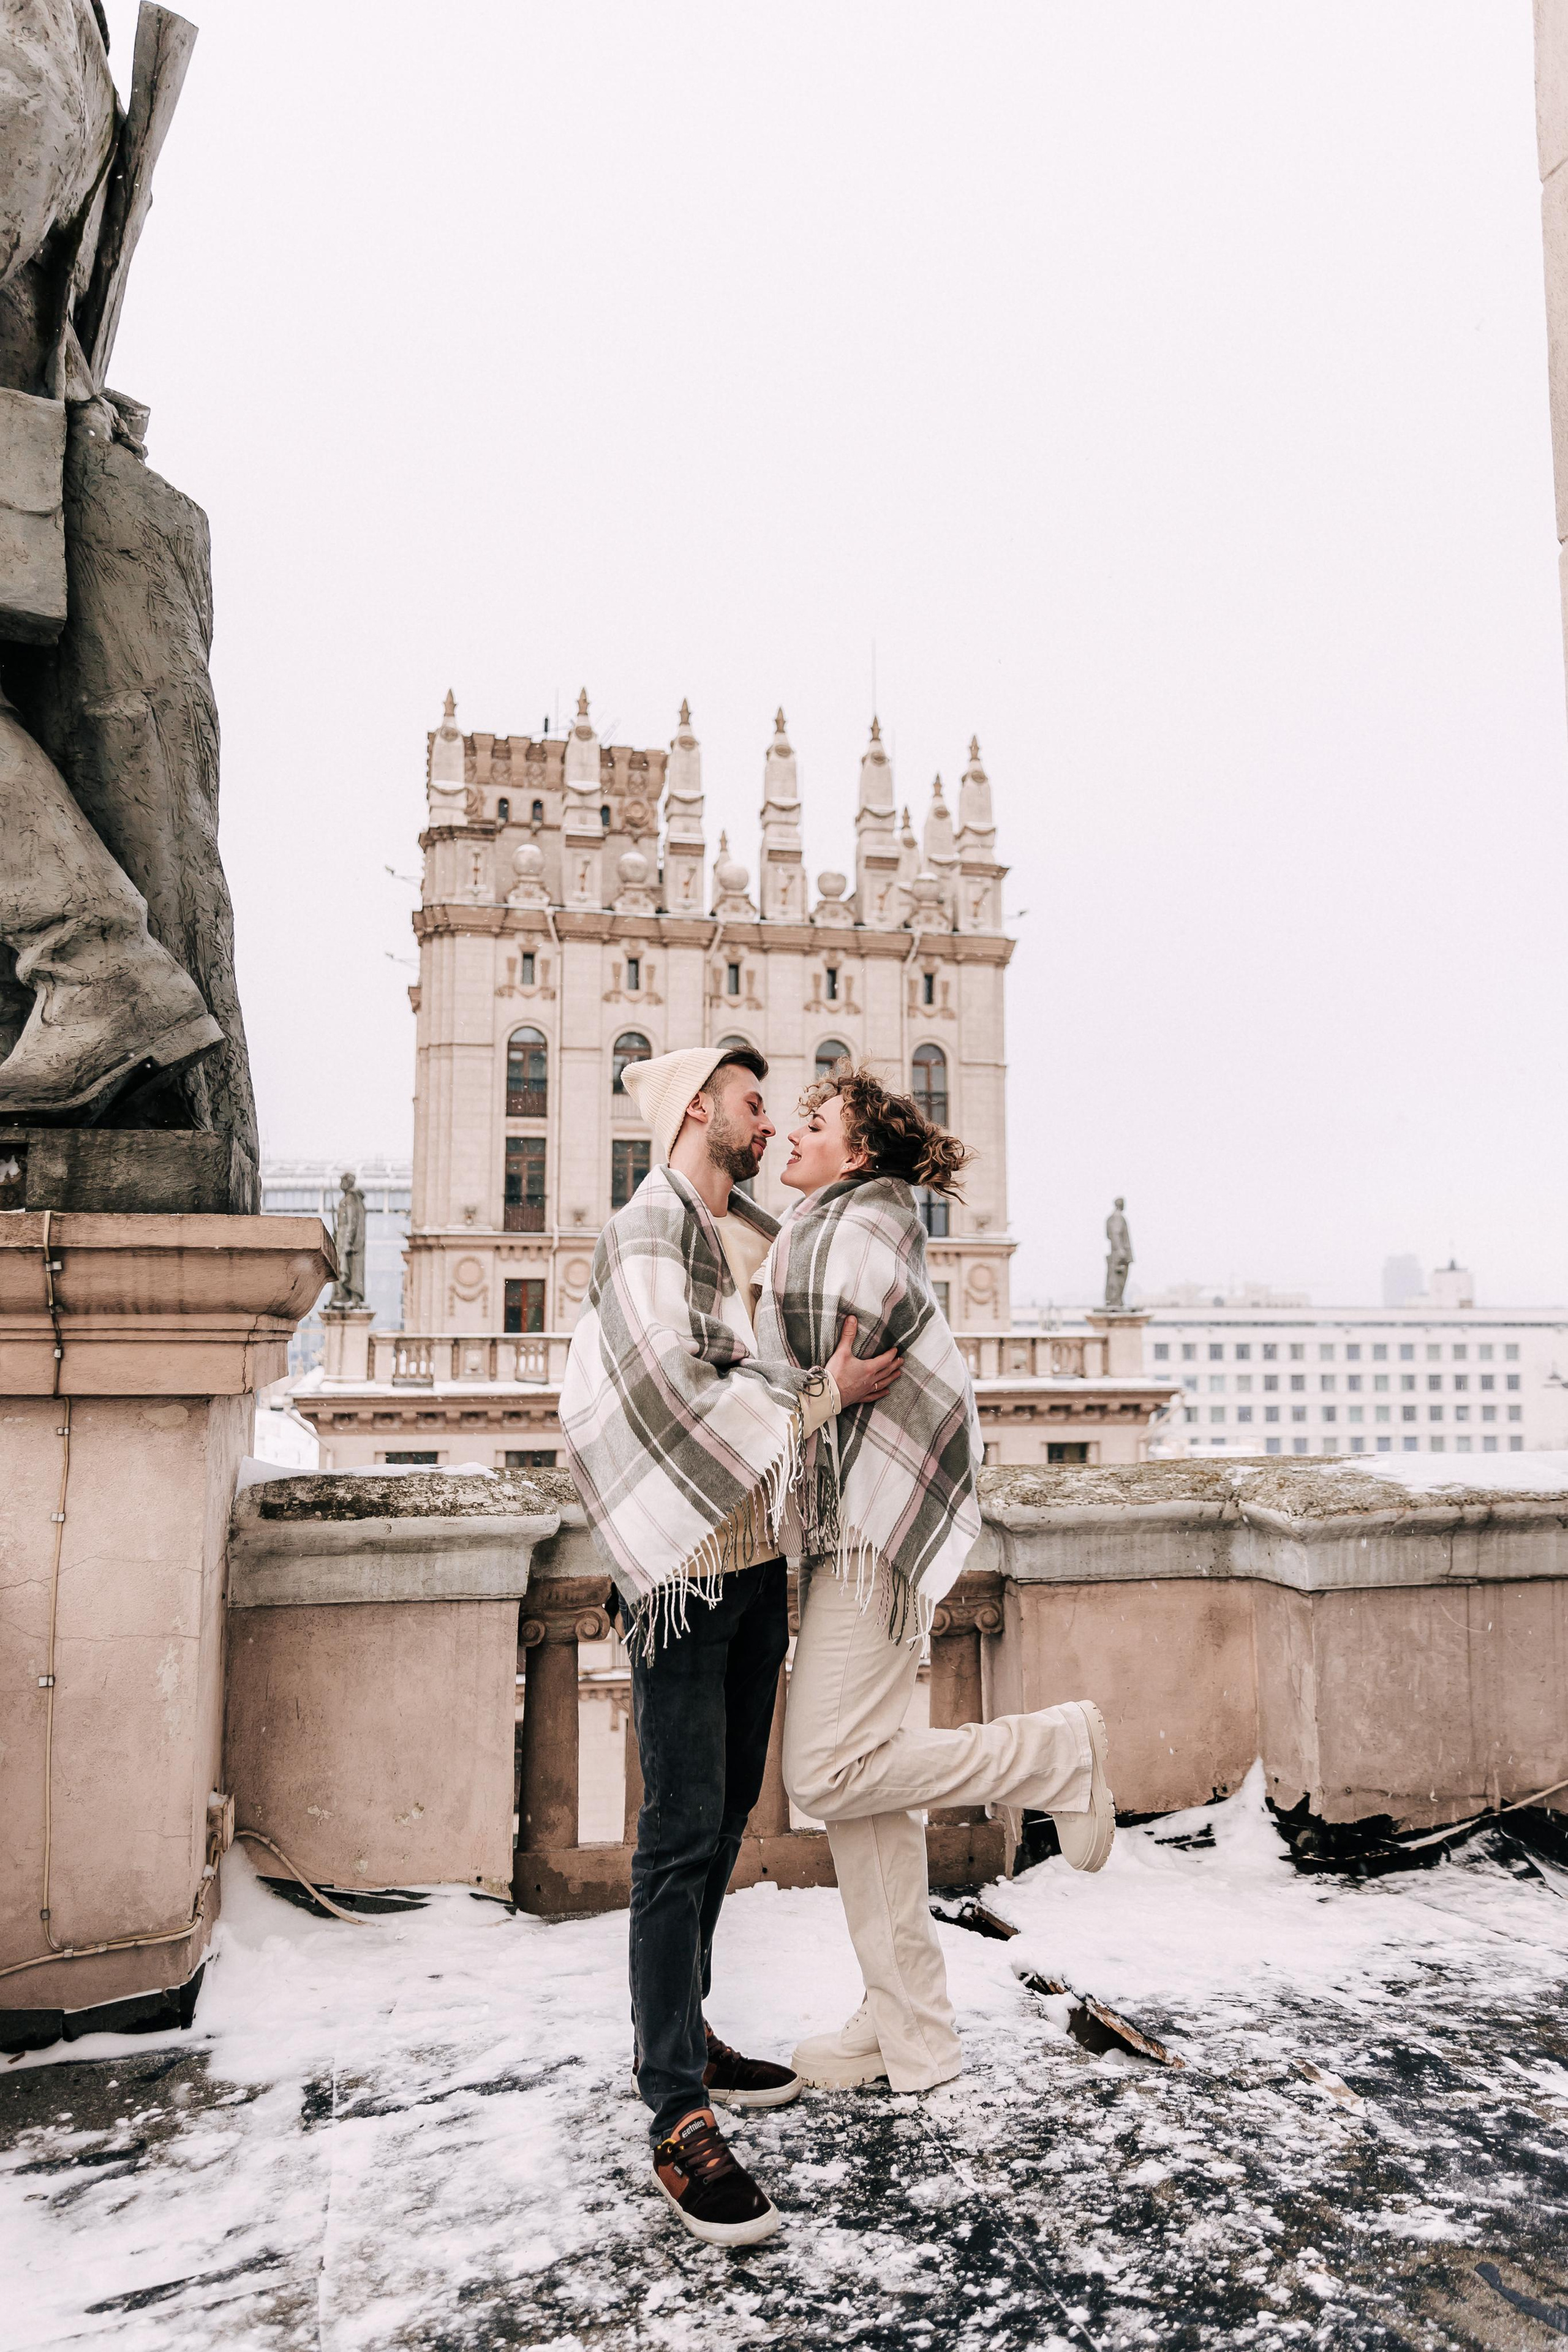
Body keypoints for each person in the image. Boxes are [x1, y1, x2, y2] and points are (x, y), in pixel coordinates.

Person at [559, 1042, 902, 2247]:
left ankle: (688, 2032)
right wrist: (825, 1396)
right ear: (698, 1106)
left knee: (720, 1822)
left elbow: (756, 1367)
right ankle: (674, 2111)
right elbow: (669, 1395)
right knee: (675, 1837)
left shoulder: (742, 1237)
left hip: (755, 1567)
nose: (767, 1124)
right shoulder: (647, 1232)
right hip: (682, 1578)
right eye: (754, 1104)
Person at [756, 1062, 1115, 2098]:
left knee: (824, 1773)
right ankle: (909, 2031)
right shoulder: (835, 1224)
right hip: (853, 1529)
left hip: (875, 1533)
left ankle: (1055, 1754)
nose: (793, 1133)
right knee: (868, 1792)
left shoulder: (848, 1236)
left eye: (815, 1122)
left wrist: (790, 1381)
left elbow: (788, 1366)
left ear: (859, 1151)